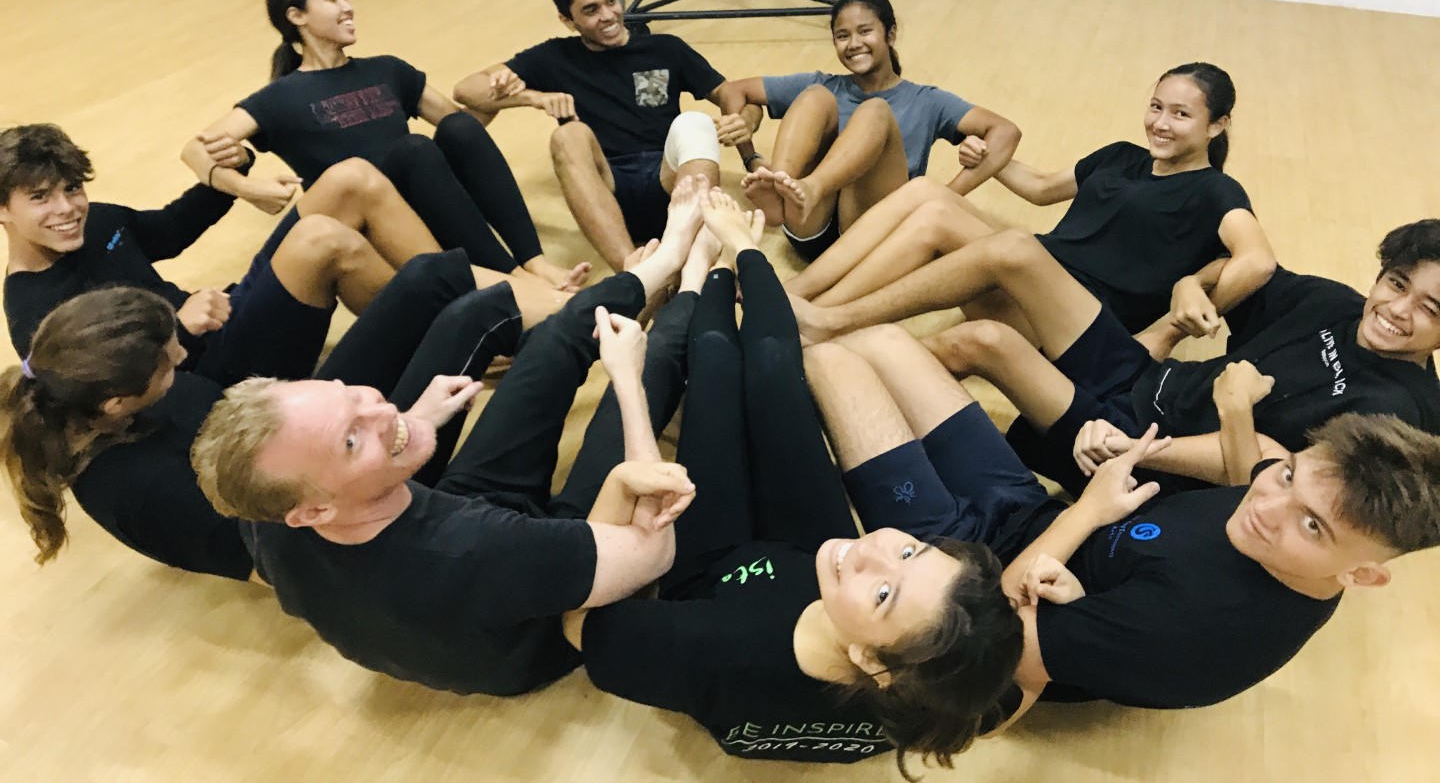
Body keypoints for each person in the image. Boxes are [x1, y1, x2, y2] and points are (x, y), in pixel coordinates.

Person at [189, 181, 710, 696]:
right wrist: (626, 380)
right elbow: (653, 553)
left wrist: (417, 418)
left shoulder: (272, 518)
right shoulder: (476, 552)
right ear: (314, 511)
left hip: (469, 543)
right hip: (538, 621)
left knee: (552, 342)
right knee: (646, 372)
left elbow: (376, 485)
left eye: (349, 393)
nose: (382, 410)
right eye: (351, 440)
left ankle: (663, 260)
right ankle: (693, 279)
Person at [564, 191, 1021, 769]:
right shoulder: (939, 698)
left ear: (871, 663)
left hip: (717, 574)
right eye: (909, 551)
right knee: (776, 367)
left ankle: (713, 268)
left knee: (716, 361)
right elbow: (998, 695)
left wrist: (626, 432)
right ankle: (739, 248)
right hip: (804, 554)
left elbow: (579, 625)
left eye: (884, 595)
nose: (871, 550)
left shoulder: (716, 652)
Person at [803, 322, 1440, 713]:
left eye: (1312, 526)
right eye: (1291, 475)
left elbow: (989, 642)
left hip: (977, 592)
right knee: (884, 345)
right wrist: (1140, 450)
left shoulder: (1193, 631)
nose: (1264, 503)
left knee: (832, 365)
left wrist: (1089, 511)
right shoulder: (1276, 504)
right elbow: (1253, 463)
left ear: (1362, 575)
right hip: (1035, 515)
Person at [0, 249, 551, 578]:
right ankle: (595, 324)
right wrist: (405, 427)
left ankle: (586, 308)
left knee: (427, 276)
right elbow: (291, 565)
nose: (183, 358)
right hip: (344, 496)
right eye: (170, 362)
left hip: (303, 437)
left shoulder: (123, 399)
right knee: (471, 319)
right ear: (117, 403)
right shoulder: (138, 492)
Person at [1, 124, 564, 385]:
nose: (67, 208)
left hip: (225, 318)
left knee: (351, 178)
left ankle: (491, 309)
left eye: (72, 188)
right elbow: (89, 389)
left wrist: (237, 169)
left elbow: (170, 231)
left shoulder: (98, 221)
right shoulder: (32, 308)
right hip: (215, 377)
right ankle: (491, 323)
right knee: (322, 240)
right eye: (40, 198)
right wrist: (175, 330)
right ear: (3, 212)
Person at [912, 220, 1440, 495]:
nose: (1398, 310)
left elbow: (1275, 479)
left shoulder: (1401, 414)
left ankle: (873, 404)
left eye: (1430, 309)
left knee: (984, 340)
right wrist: (1190, 285)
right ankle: (856, 325)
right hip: (1149, 378)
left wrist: (1136, 451)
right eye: (1397, 284)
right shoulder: (1335, 304)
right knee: (1015, 252)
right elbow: (1242, 268)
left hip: (1145, 454)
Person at [789, 62, 1274, 338]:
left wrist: (1177, 318)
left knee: (954, 222)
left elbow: (1258, 262)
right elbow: (1041, 188)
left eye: (1180, 115)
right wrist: (987, 159)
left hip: (1076, 320)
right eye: (1156, 107)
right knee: (926, 193)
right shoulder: (1123, 156)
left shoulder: (1215, 190)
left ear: (1217, 125)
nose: (1161, 124)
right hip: (1030, 276)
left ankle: (824, 321)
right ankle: (796, 296)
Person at [182, 0, 586, 291]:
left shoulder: (388, 70)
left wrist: (515, 98)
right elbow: (195, 149)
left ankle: (533, 263)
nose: (348, 7)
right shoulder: (280, 98)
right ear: (297, 15)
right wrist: (249, 189)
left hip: (433, 205)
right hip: (379, 231)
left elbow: (465, 128)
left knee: (458, 128)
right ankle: (511, 279)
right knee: (414, 149)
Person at [452, 0, 759, 272]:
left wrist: (746, 121)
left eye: (611, 1)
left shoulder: (666, 48)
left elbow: (733, 93)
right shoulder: (553, 57)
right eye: (591, 10)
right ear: (567, 20)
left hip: (669, 182)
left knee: (695, 123)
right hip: (606, 192)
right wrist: (533, 98)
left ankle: (692, 267)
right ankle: (634, 275)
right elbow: (466, 89)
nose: (608, 15)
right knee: (568, 135)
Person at [724, 0, 1020, 260]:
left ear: (890, 35)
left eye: (865, 31)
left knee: (875, 111)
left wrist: (946, 196)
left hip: (872, 236)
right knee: (815, 96)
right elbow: (735, 91)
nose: (854, 44)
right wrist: (748, 135)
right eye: (842, 36)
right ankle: (778, 188)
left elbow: (1006, 132)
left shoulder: (927, 100)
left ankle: (810, 188)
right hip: (809, 225)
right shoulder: (824, 84)